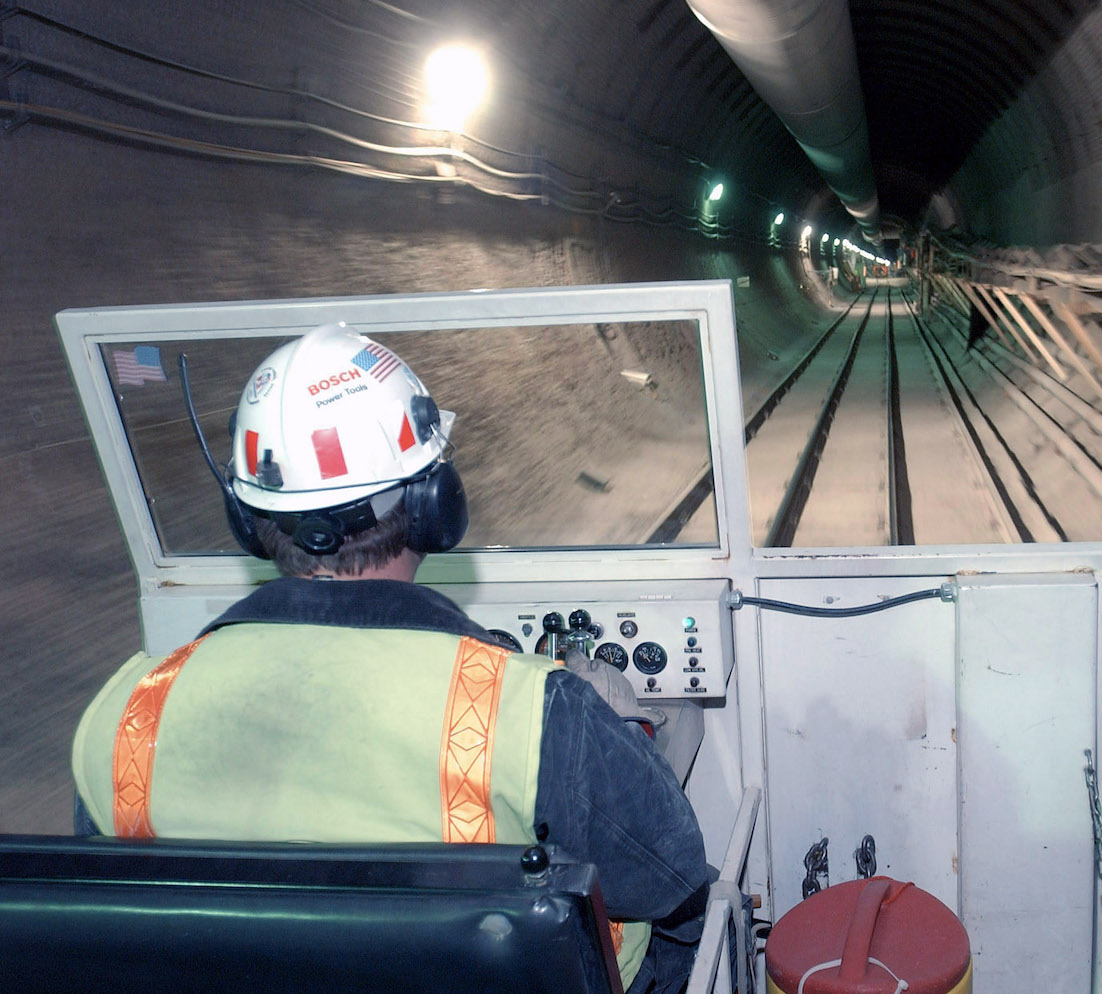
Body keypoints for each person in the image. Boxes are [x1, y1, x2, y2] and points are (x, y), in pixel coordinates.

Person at [70, 323, 708, 993]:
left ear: (247, 520)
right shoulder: (529, 713)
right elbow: (673, 876)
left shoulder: (121, 718)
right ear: (435, 505)